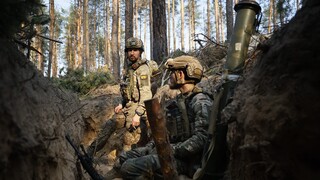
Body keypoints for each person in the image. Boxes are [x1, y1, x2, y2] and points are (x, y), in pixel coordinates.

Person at [105, 55, 213, 179]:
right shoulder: (179, 101)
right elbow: (167, 133)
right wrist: (151, 147)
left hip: (187, 161)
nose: (170, 77)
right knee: (125, 157)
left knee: (129, 167)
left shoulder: (201, 102)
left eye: (172, 73)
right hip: (173, 152)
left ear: (181, 75)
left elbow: (202, 138)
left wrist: (171, 150)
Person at [86, 37, 153, 157]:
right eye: (129, 50)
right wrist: (121, 104)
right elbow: (128, 92)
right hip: (128, 107)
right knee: (109, 125)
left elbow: (146, 95)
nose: (132, 53)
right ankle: (88, 154)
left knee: (129, 137)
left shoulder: (143, 70)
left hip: (139, 110)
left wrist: (137, 115)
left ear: (140, 52)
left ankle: (124, 165)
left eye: (135, 50)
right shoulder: (130, 70)